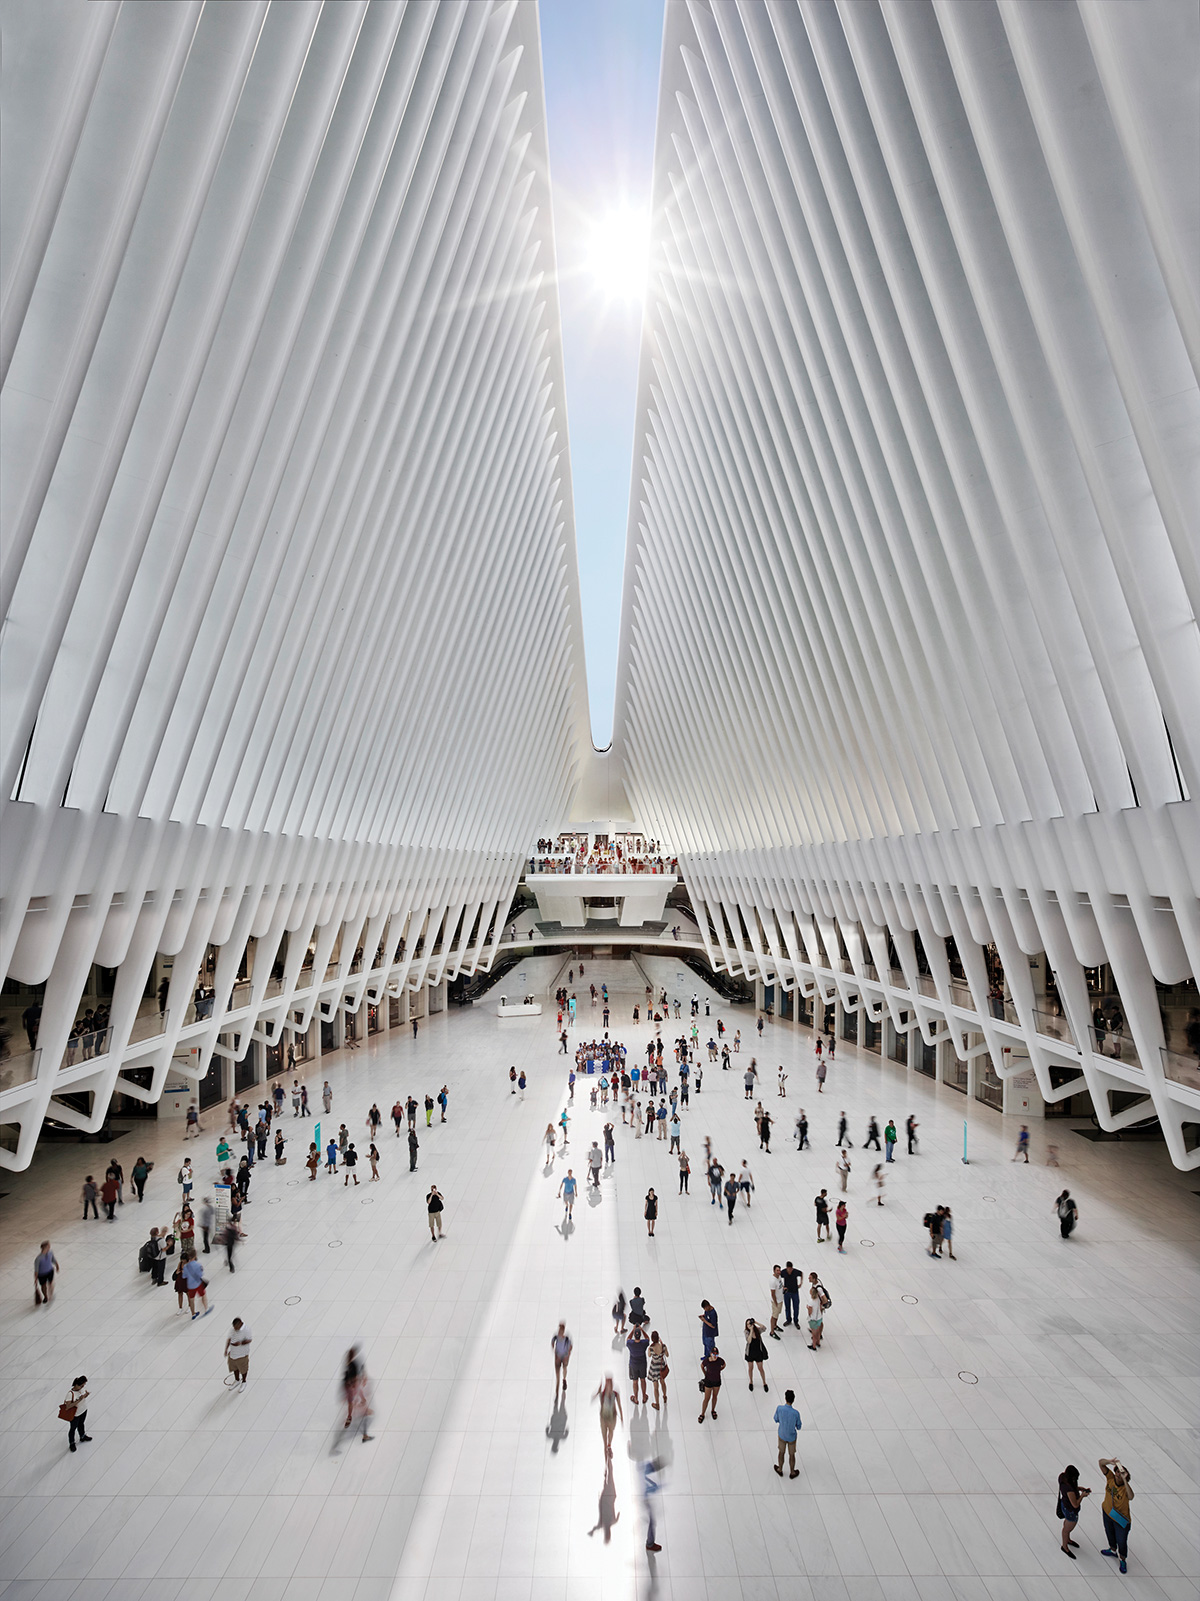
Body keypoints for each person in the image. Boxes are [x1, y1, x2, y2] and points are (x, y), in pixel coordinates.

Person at [1099, 1457, 1133, 1573]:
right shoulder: (1110, 1478)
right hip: (1108, 1512)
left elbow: (1131, 1496)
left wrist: (1124, 1480)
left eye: (1122, 1472)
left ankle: (1122, 1558)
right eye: (1118, 1471)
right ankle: (1113, 1549)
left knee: (1122, 1540)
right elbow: (1100, 1463)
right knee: (1109, 1532)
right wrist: (1109, 1462)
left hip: (1121, 1520)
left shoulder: (1125, 1489)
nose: (1118, 1474)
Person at [342, 1345, 374, 1441]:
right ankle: (365, 1436)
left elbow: (347, 1378)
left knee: (352, 1403)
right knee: (363, 1412)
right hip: (353, 1388)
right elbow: (357, 1383)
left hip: (348, 1388)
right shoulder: (354, 1365)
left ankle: (349, 1417)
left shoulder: (347, 1364)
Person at [1057, 1463, 1090, 1557]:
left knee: (1066, 1525)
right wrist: (1082, 1496)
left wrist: (1078, 1488)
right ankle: (1064, 1546)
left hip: (1064, 1505)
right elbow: (1075, 1504)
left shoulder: (1062, 1477)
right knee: (1066, 1529)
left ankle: (1067, 1540)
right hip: (1070, 1511)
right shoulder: (1069, 1489)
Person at [774, 1389, 802, 1477]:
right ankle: (792, 1472)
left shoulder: (779, 1408)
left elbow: (776, 1419)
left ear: (785, 1398)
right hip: (791, 1437)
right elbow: (799, 1426)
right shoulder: (796, 1413)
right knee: (792, 1454)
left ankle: (780, 1469)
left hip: (782, 1434)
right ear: (793, 1400)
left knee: (781, 1452)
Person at [594, 1374, 623, 1458]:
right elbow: (594, 1398)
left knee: (611, 1432)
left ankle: (609, 1446)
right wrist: (598, 1391)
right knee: (604, 1439)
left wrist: (622, 1416)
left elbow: (619, 1405)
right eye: (607, 1383)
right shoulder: (602, 1394)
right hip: (603, 1417)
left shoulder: (615, 1394)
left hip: (612, 1417)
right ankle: (606, 1451)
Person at [62, 1376, 92, 1451]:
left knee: (81, 1424)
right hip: (75, 1414)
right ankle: (72, 1443)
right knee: (73, 1428)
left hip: (83, 1410)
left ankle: (82, 1435)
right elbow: (68, 1406)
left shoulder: (81, 1389)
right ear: (77, 1385)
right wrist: (79, 1400)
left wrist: (85, 1395)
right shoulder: (70, 1394)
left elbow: (82, 1397)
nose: (83, 1387)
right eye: (82, 1385)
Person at [698, 1344, 725, 1422]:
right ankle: (702, 1413)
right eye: (713, 1354)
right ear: (711, 1354)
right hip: (708, 1381)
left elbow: (724, 1365)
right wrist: (705, 1373)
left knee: (715, 1396)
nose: (715, 1356)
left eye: (716, 1354)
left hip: (717, 1381)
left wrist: (719, 1370)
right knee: (706, 1398)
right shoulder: (707, 1361)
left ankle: (713, 1410)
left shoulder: (720, 1360)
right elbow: (702, 1366)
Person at [744, 1317, 769, 1391]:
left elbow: (764, 1328)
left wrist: (756, 1322)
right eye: (748, 1324)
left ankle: (764, 1382)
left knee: (760, 1368)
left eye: (750, 1323)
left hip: (758, 1352)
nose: (750, 1325)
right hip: (750, 1353)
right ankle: (751, 1381)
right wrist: (751, 1331)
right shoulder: (746, 1332)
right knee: (750, 1368)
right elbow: (749, 1341)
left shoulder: (757, 1330)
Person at [627, 1324, 649, 1404]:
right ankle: (644, 1397)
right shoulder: (644, 1343)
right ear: (640, 1336)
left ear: (634, 1336)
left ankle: (636, 1398)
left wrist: (633, 1330)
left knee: (635, 1381)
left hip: (633, 1364)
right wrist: (641, 1330)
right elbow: (647, 1338)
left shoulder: (630, 1344)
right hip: (642, 1364)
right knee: (643, 1380)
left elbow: (628, 1339)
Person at [225, 1319, 251, 1386]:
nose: (235, 1329)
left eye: (236, 1327)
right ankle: (237, 1380)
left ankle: (244, 1381)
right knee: (234, 1367)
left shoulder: (246, 1330)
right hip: (233, 1354)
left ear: (240, 1324)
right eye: (234, 1327)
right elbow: (229, 1339)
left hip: (242, 1354)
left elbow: (249, 1340)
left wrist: (240, 1343)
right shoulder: (232, 1329)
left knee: (243, 1368)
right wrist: (226, 1349)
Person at [648, 1331, 669, 1409]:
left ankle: (657, 1404)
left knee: (655, 1387)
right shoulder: (663, 1346)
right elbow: (667, 1355)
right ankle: (664, 1396)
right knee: (663, 1383)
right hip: (661, 1367)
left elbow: (649, 1355)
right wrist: (662, 1344)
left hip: (654, 1368)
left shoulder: (651, 1348)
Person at [552, 1323, 573, 1394]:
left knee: (564, 1368)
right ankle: (557, 1390)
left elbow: (570, 1347)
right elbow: (552, 1343)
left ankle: (564, 1379)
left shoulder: (567, 1339)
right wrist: (555, 1353)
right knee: (557, 1374)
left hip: (564, 1357)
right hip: (558, 1358)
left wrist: (567, 1356)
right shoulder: (556, 1337)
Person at [807, 1273, 827, 1349]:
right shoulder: (816, 1283)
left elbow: (824, 1299)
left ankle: (818, 1334)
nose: (809, 1279)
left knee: (819, 1321)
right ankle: (817, 1334)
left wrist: (821, 1306)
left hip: (818, 1308)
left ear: (814, 1279)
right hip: (817, 1306)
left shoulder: (819, 1289)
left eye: (810, 1278)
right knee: (819, 1319)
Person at [781, 1261, 801, 1328]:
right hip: (787, 1292)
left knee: (796, 1307)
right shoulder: (783, 1272)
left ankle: (796, 1321)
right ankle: (788, 1319)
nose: (790, 1270)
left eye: (791, 1269)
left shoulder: (795, 1272)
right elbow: (779, 1277)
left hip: (795, 1292)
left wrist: (801, 1283)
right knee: (787, 1306)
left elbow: (801, 1274)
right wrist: (782, 1286)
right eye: (789, 1269)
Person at [769, 1265, 784, 1339]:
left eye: (779, 1270)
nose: (779, 1271)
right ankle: (772, 1332)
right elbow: (772, 1293)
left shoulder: (779, 1277)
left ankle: (775, 1326)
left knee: (777, 1314)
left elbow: (781, 1285)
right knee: (774, 1316)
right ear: (774, 1271)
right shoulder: (773, 1281)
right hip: (776, 1301)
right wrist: (775, 1302)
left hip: (780, 1299)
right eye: (777, 1270)